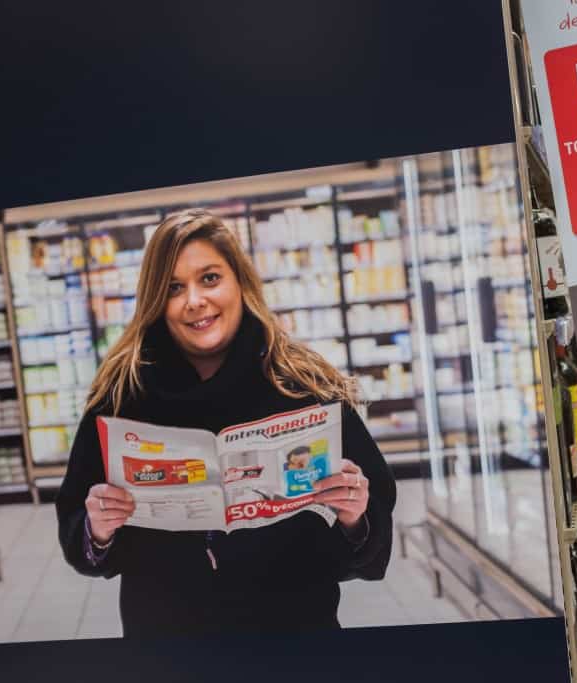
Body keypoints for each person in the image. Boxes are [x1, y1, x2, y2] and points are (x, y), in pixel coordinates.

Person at [56, 209, 396, 638]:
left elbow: (373, 523)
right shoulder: (121, 397)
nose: (195, 300)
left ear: (240, 282)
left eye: (210, 278)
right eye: (174, 287)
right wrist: (97, 529)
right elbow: (79, 536)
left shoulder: (305, 386)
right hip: (169, 646)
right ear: (155, 300)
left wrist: (354, 514)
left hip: (294, 636)